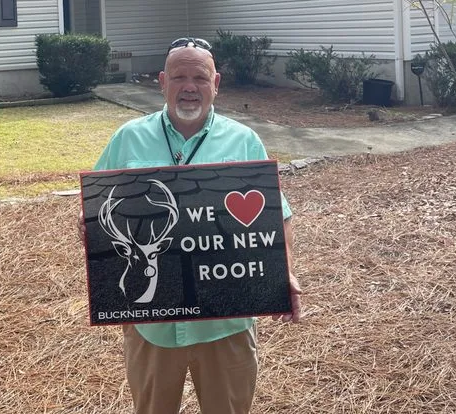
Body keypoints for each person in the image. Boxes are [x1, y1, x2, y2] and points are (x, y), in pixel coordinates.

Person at [85, 37, 301, 414]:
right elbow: (95, 215)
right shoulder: (128, 138)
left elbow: (276, 215)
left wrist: (284, 274)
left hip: (226, 324)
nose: (189, 87)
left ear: (216, 83)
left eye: (199, 78)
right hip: (152, 323)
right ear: (162, 81)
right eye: (179, 76)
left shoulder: (244, 140)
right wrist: (104, 261)